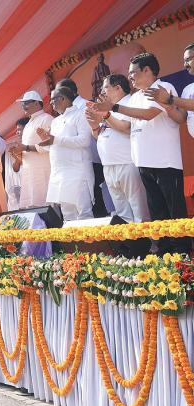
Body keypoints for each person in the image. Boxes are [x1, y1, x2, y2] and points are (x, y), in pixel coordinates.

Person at [90, 52, 189, 254]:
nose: (130, 77)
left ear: (147, 70)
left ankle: (183, 254)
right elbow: (126, 126)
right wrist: (106, 114)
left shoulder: (162, 88)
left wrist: (115, 106)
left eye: (133, 72)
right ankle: (165, 253)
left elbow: (147, 115)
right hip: (144, 164)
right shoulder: (135, 97)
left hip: (165, 163)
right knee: (157, 213)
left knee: (174, 213)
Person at [85, 74, 149, 223]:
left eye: (105, 87)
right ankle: (132, 245)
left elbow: (126, 128)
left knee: (138, 206)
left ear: (118, 88)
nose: (102, 92)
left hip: (126, 162)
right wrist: (94, 125)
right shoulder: (109, 108)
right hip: (109, 165)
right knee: (122, 211)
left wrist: (106, 116)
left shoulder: (129, 103)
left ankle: (150, 243)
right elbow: (99, 136)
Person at [36, 86, 95, 220]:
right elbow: (55, 147)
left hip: (78, 171)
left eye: (53, 100)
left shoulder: (80, 114)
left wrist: (55, 140)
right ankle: (72, 241)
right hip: (59, 174)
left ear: (62, 98)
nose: (50, 103)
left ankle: (88, 241)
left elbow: (84, 141)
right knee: (68, 214)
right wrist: (46, 141)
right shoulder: (55, 121)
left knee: (83, 213)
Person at [58, 78, 106, 217]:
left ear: (69, 93)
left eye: (59, 96)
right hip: (74, 165)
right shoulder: (64, 114)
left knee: (94, 202)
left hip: (93, 160)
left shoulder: (86, 106)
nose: (55, 101)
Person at [9, 90, 53, 208]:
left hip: (43, 170)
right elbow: (25, 148)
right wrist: (18, 152)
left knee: (46, 205)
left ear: (37, 103)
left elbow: (49, 146)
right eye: (23, 103)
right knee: (31, 206)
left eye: (27, 103)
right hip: (29, 171)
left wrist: (26, 148)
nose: (24, 106)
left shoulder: (47, 119)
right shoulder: (28, 124)